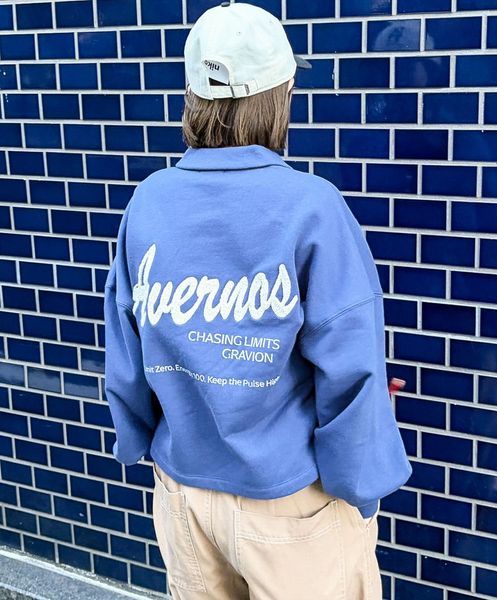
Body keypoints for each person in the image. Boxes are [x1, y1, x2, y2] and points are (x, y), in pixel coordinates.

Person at [103, 3, 413, 599]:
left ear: (192, 94)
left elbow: (127, 348)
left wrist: (137, 442)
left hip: (183, 492)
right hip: (293, 504)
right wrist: (360, 487)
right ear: (282, 94)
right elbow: (351, 369)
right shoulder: (312, 205)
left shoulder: (148, 201)